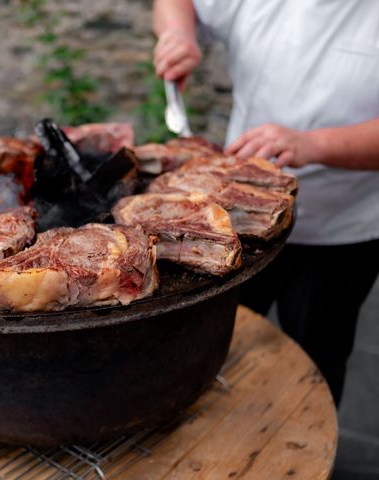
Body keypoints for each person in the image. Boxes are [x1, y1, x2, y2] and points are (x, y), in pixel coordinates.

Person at [153, 0, 379, 405]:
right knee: (207, 347)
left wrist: (311, 144)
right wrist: (178, 35)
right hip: (236, 221)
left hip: (342, 229)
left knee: (316, 362)